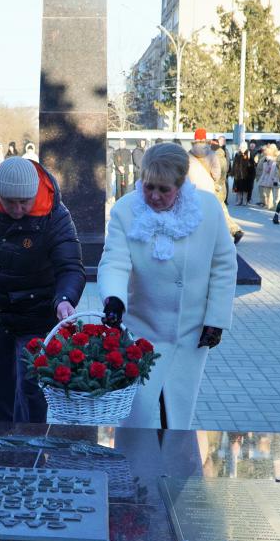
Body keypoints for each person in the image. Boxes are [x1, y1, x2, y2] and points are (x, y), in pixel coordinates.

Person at [98, 142, 237, 429]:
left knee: (177, 417)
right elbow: (115, 261)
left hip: (191, 333)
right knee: (136, 416)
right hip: (142, 330)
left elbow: (223, 266)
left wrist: (216, 319)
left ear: (181, 183)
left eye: (164, 190)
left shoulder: (208, 208)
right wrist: (113, 298)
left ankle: (174, 472)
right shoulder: (126, 210)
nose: (154, 196)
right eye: (149, 187)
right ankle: (133, 472)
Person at [0, 156, 85, 423]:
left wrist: (64, 299)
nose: (17, 208)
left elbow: (70, 266)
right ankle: (4, 450)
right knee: (2, 388)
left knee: (31, 389)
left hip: (37, 316)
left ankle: (31, 449)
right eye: (9, 201)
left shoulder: (55, 216)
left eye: (23, 201)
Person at [188, 128, 244, 244]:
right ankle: (233, 231)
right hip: (210, 189)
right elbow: (217, 174)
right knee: (219, 211)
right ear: (205, 138)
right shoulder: (211, 154)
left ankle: (200, 237)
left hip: (193, 190)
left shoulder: (188, 155)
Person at [255, 144, 278, 208]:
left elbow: (270, 170)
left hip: (270, 178)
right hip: (264, 177)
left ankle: (271, 205)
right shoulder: (265, 158)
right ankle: (267, 204)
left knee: (271, 193)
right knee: (266, 192)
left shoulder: (273, 160)